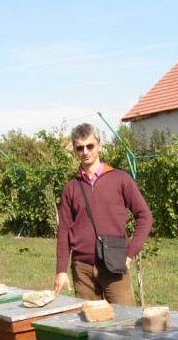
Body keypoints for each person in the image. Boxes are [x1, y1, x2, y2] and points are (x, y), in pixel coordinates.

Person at [53, 123, 153, 306]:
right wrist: (61, 270)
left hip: (114, 265)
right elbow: (64, 231)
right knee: (91, 327)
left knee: (126, 325)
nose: (86, 151)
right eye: (80, 148)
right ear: (75, 150)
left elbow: (145, 216)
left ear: (99, 145)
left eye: (90, 146)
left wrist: (130, 253)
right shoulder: (71, 188)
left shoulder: (120, 179)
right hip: (82, 270)